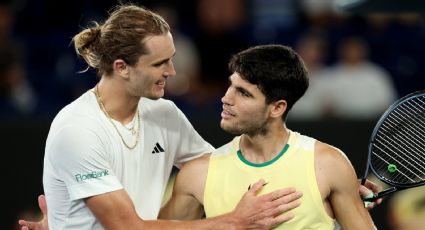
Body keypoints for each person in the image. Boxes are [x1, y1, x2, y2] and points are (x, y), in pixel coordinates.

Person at [18, 4, 302, 230]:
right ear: (122, 67)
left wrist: (302, 185)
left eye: (172, 58)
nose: (172, 71)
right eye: (159, 63)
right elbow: (127, 227)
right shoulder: (78, 129)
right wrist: (235, 222)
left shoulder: (164, 113)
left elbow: (218, 171)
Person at [158, 45, 377, 229]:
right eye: (231, 86)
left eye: (243, 93)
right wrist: (233, 222)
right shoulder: (197, 174)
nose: (226, 98)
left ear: (277, 108)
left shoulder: (328, 165)